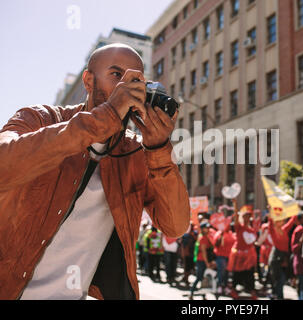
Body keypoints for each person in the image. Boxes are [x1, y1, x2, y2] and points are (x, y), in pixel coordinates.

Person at [0, 43, 190, 300]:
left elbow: (175, 226)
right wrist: (105, 116)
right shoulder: (40, 119)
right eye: (116, 75)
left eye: (135, 80)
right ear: (88, 81)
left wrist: (158, 150)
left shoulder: (135, 152)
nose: (127, 87)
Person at [227, 201, 258, 300]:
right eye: (245, 216)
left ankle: (252, 293)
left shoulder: (252, 230)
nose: (247, 218)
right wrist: (235, 205)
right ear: (242, 217)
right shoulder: (239, 228)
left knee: (250, 275)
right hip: (239, 256)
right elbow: (236, 216)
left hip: (249, 257)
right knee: (237, 274)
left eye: (248, 216)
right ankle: (234, 291)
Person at [267, 209, 298, 300]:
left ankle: (276, 295)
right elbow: (270, 223)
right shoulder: (273, 231)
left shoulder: (284, 229)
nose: (282, 221)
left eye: (282, 220)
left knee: (282, 279)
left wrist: (295, 209)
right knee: (279, 279)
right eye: (279, 220)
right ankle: (279, 296)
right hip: (276, 257)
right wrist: (271, 210)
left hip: (284, 257)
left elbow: (292, 220)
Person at [189, 222, 214, 299]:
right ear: (202, 229)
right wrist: (207, 263)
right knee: (199, 277)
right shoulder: (203, 238)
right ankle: (191, 293)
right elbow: (203, 252)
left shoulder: (205, 237)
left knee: (203, 278)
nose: (208, 229)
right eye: (206, 227)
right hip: (201, 261)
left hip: (203, 260)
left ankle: (203, 294)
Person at [213, 224, 236, 294]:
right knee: (221, 271)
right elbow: (215, 244)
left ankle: (225, 286)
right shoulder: (219, 234)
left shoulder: (231, 234)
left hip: (229, 256)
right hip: (220, 256)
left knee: (226, 272)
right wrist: (221, 236)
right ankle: (219, 286)